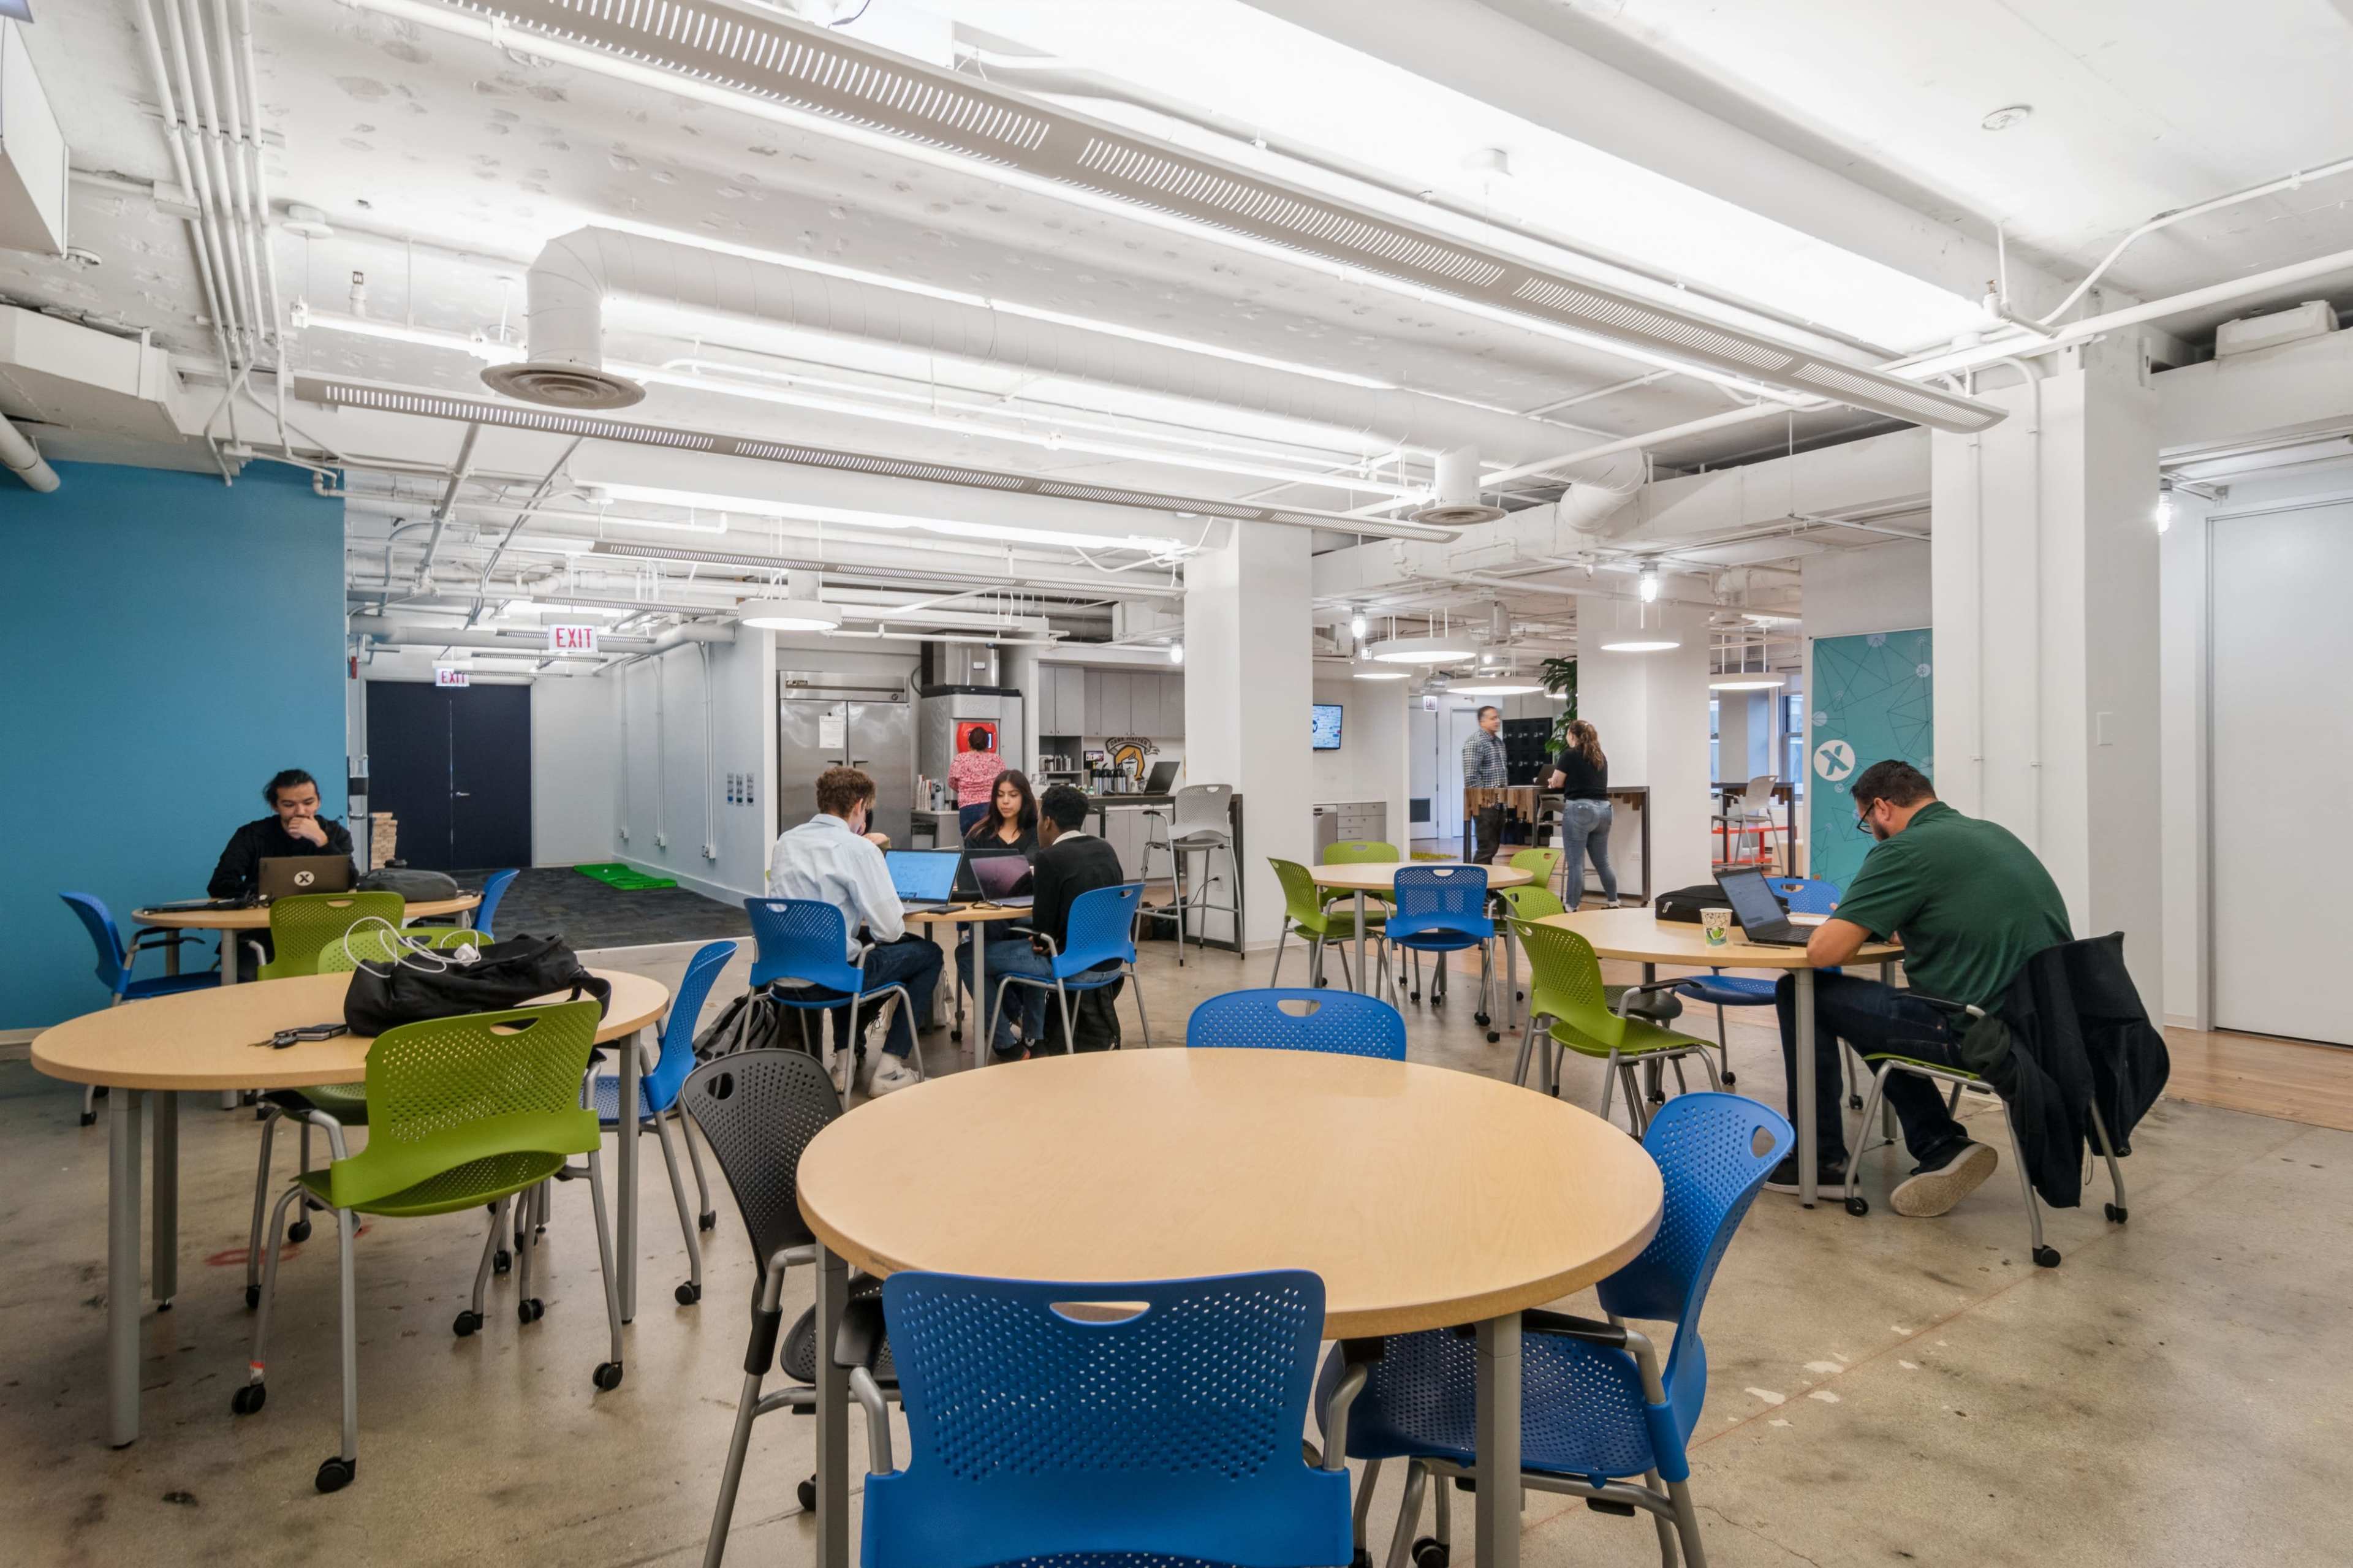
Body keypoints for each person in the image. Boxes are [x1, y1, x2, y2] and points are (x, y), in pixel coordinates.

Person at [1767, 760, 2073, 1216]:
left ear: (1882, 807)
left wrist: (1849, 924)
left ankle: (1821, 1160)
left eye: (1866, 821)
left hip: (1985, 1035)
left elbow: (1822, 952)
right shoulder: (1989, 833)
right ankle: (1939, 1142)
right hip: (2047, 1030)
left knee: (1802, 993)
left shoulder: (1904, 851)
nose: (1870, 830)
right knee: (1868, 1010)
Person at [766, 766, 942, 1096]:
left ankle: (843, 1066)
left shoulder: (786, 842)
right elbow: (889, 930)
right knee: (928, 954)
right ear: (860, 805)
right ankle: (889, 1070)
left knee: (853, 950)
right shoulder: (858, 848)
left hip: (784, 978)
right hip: (830, 981)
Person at [957, 782, 1123, 1061]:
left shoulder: (1049, 859)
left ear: (1047, 821)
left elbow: (1042, 934)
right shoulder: (1106, 849)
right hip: (1113, 963)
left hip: (1072, 967)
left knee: (967, 955)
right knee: (1033, 945)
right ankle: (1035, 1037)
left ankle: (1006, 1044)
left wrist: (1041, 939)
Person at [208, 768, 355, 900]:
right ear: (275, 806)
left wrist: (322, 841)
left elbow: (350, 882)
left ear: (319, 802)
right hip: (263, 922)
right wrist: (265, 893)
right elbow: (219, 884)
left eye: (308, 803)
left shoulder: (336, 833)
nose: (300, 811)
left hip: (322, 920)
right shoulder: (252, 835)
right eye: (289, 805)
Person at [1545, 719, 1616, 907]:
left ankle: (1571, 906)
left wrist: (1552, 781)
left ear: (1572, 735)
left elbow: (1558, 782)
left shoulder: (1569, 755)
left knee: (1576, 863)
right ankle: (1613, 901)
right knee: (1603, 862)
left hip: (1580, 810)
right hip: (1604, 810)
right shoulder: (1600, 756)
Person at [1461, 704, 1509, 864]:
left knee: (1493, 847)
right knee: (1486, 847)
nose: (1498, 721)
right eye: (1493, 718)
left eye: (1498, 717)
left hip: (1500, 803)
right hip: (1485, 804)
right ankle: (1475, 886)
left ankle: (1488, 885)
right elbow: (1471, 777)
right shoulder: (1475, 742)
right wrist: (1484, 801)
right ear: (1482, 722)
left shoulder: (1499, 743)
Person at [963, 768, 1039, 857]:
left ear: (1025, 798)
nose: (1005, 801)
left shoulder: (1038, 832)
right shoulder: (978, 835)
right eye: (1000, 795)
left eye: (1013, 795)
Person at [949, 724, 1001, 808]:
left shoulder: (960, 759)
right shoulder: (997, 760)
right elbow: (1003, 782)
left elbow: (951, 782)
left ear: (969, 743)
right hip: (991, 806)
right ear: (987, 744)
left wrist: (964, 789)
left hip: (967, 806)